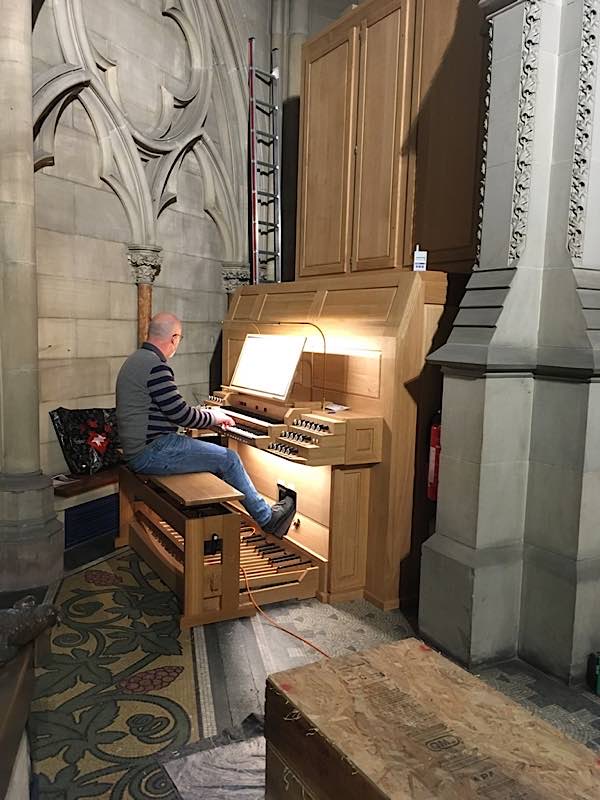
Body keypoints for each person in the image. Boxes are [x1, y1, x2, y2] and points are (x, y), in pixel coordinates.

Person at [116, 312, 296, 538]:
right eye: (179, 339)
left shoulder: (136, 359)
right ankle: (268, 519)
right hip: (150, 451)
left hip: (141, 447)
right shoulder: (156, 367)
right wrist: (214, 417)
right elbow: (181, 415)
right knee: (229, 459)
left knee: (211, 451)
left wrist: (206, 414)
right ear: (173, 338)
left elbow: (170, 409)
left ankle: (229, 514)